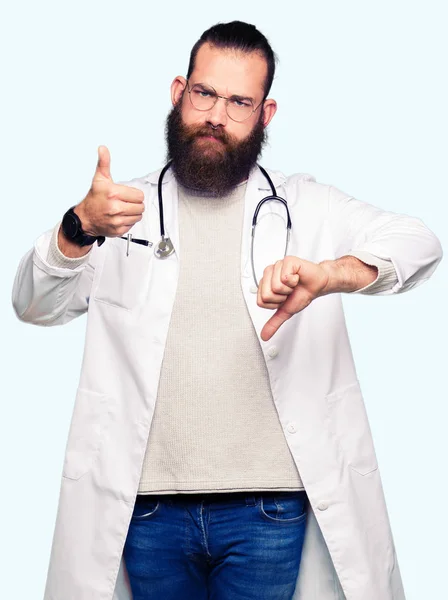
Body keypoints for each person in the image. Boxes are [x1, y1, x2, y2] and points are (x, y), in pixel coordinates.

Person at [11, 20, 442, 600]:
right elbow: (33, 304)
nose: (217, 115)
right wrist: (77, 227)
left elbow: (420, 244)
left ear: (265, 115)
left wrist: (331, 274)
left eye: (240, 102)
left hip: (267, 510)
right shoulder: (118, 213)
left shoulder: (306, 207)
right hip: (146, 509)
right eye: (205, 94)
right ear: (177, 93)